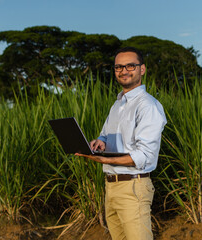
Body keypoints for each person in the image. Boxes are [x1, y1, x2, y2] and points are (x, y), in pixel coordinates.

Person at [75, 46, 166, 240]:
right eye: (118, 67)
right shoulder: (117, 104)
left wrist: (106, 161)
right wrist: (100, 143)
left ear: (142, 69)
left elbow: (145, 156)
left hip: (133, 187)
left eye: (130, 66)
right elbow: (105, 135)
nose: (123, 71)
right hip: (111, 187)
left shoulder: (147, 105)